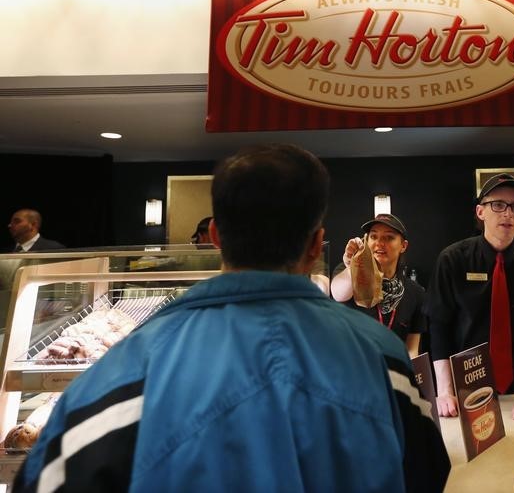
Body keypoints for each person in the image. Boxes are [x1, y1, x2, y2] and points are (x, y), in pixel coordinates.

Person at [13, 144, 450, 492]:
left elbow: (43, 480)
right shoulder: (383, 360)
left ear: (216, 237)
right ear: (317, 243)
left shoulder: (125, 370)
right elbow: (429, 473)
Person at [426, 173, 514, 427]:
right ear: (480, 212)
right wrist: (445, 391)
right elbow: (439, 326)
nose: (507, 213)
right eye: (498, 204)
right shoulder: (453, 259)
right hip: (465, 391)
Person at [330, 213, 426, 356]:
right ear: (366, 241)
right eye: (374, 236)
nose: (380, 243)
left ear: (403, 246)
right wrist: (353, 266)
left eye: (389, 237)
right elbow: (338, 294)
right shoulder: (349, 275)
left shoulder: (416, 292)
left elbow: (411, 350)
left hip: (393, 374)